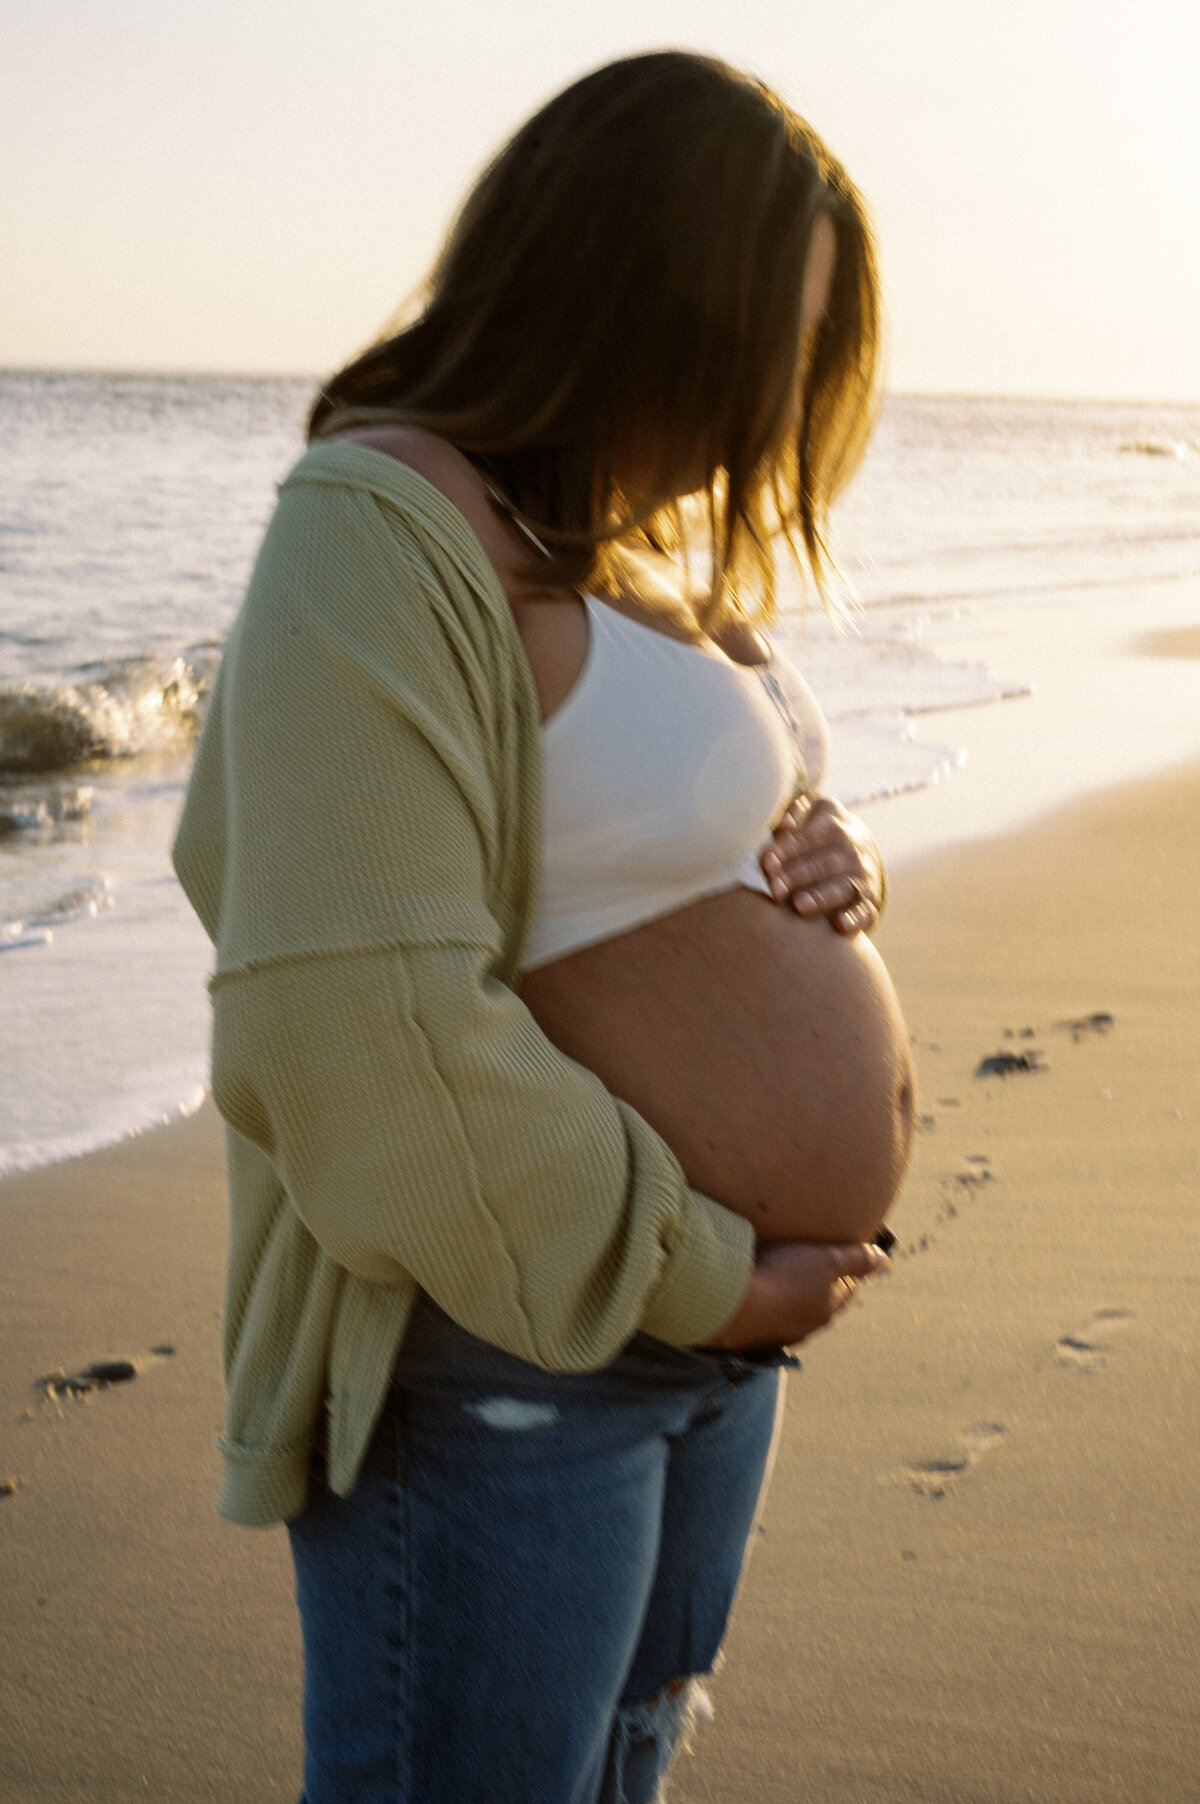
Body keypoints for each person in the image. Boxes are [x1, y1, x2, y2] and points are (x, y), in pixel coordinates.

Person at [173, 49, 912, 1804]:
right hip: (517, 1352)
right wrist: (720, 1276)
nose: (768, 407)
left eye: (805, 363)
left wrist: (830, 855)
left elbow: (662, 834)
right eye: (756, 345)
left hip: (702, 1353)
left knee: (624, 1773)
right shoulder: (378, 531)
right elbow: (367, 1040)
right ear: (610, 280)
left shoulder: (613, 548)